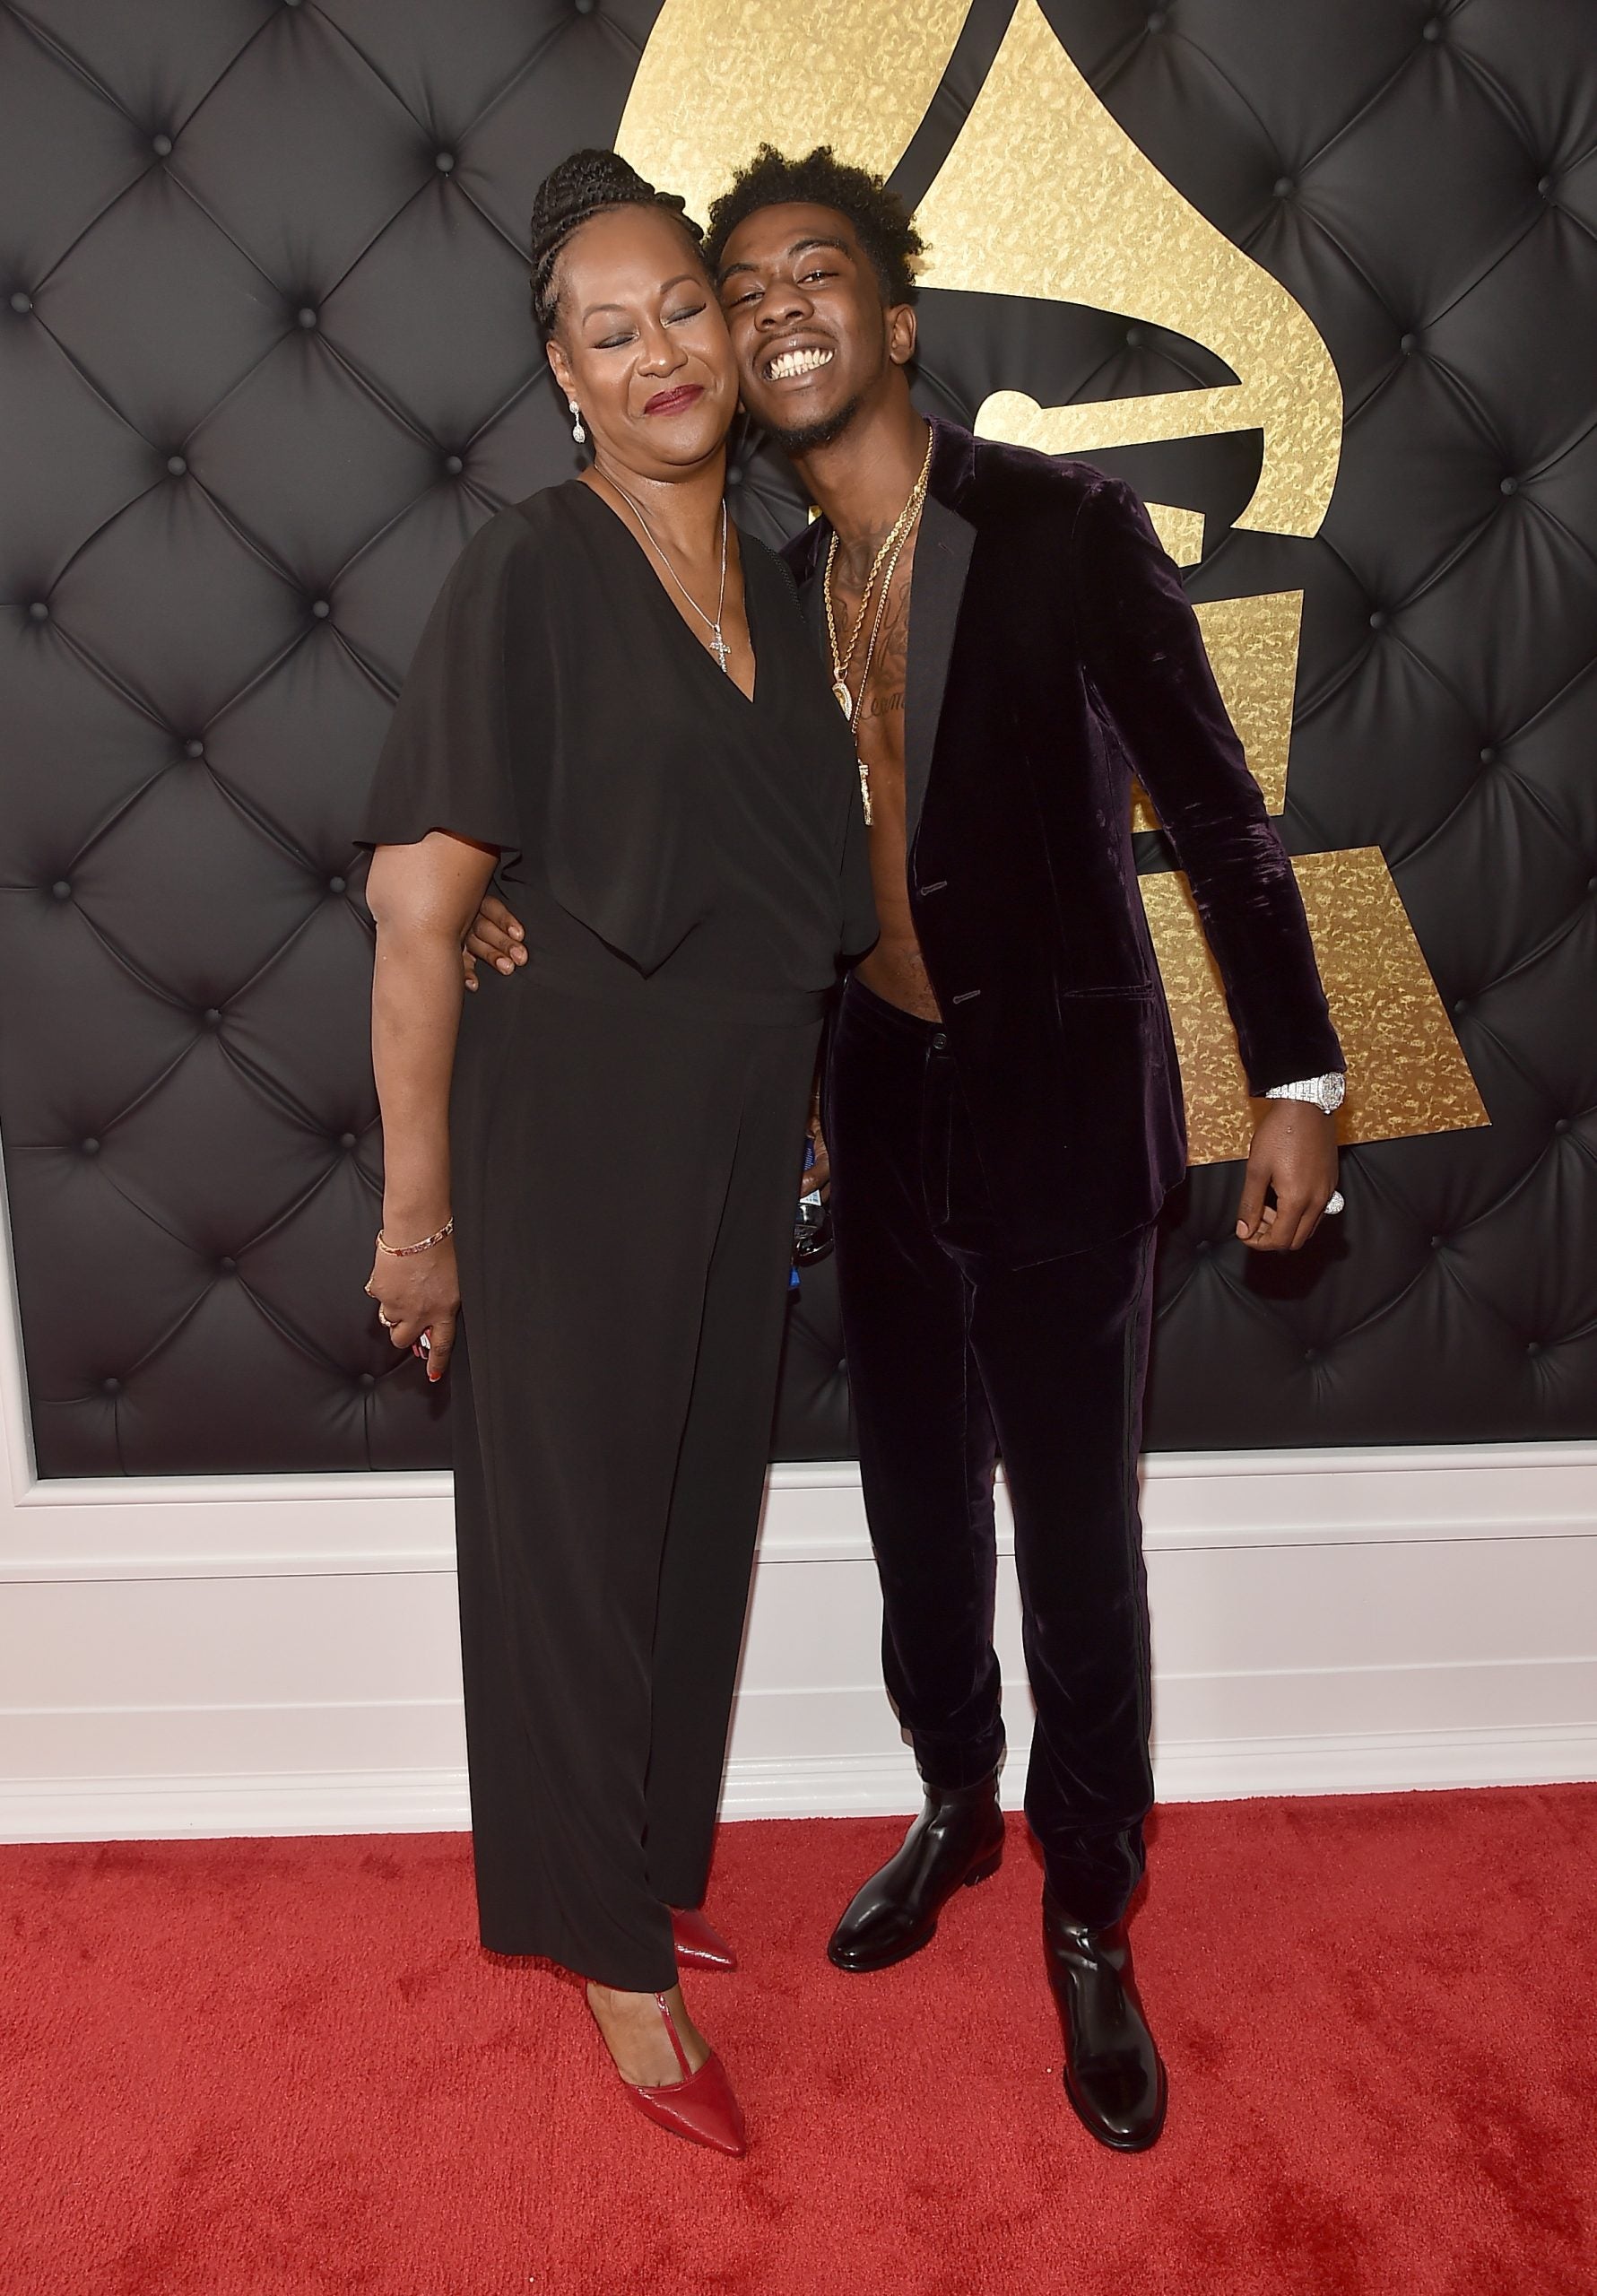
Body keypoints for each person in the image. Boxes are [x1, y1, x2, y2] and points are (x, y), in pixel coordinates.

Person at [465, 145, 1343, 2154]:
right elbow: (659, 821)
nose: (773, 306)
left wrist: (1299, 1079)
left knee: (1077, 1536)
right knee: (917, 1515)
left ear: (896, 314)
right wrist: (489, 893)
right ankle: (956, 1801)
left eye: (815, 272)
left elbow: (1222, 813)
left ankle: (1090, 1905)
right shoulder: (760, 589)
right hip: (874, 1099)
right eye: (742, 284)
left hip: (1063, 1103)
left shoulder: (1063, 526)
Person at [360, 148, 874, 2160]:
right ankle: (608, 1953)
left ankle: (642, 1864)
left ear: (733, 341)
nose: (660, 352)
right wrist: (419, 1223)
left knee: (691, 1515)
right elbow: (418, 911)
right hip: (572, 1117)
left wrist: (808, 1105)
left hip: (747, 1114)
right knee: (576, 1534)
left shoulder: (787, 576)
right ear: (563, 377)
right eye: (610, 330)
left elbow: (780, 874)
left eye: (683, 310)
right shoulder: (532, 570)